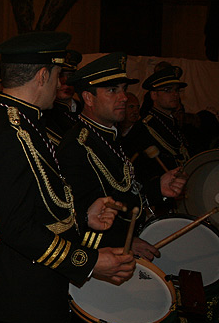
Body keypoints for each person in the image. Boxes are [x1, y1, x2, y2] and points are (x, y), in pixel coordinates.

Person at [0, 32, 135, 323]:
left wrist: (84, 214)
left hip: (37, 286)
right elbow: (17, 226)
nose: (62, 84)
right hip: (26, 291)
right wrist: (89, 262)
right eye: (59, 75)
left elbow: (38, 202)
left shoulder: (23, 122)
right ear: (43, 75)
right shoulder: (9, 130)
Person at [57, 52, 187, 261]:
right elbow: (75, 218)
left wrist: (157, 188)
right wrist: (121, 242)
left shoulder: (108, 136)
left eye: (124, 90)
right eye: (112, 90)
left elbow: (122, 192)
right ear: (88, 98)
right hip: (102, 260)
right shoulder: (76, 147)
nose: (124, 98)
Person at [125, 65, 191, 197]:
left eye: (177, 90)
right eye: (168, 90)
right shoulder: (144, 126)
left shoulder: (173, 123)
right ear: (154, 95)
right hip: (158, 195)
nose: (174, 94)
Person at [45, 49, 82, 145]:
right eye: (60, 75)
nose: (65, 82)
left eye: (70, 76)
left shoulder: (85, 109)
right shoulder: (45, 113)